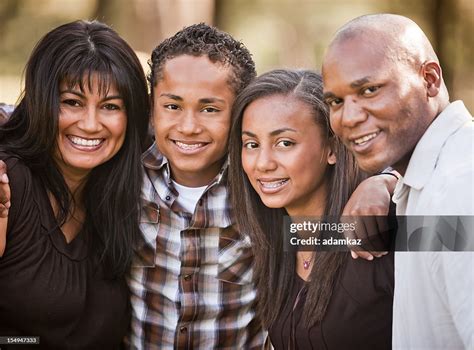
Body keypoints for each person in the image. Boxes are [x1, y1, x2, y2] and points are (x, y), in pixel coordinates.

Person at [322, 14, 473, 349]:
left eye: (370, 90)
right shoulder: (425, 179)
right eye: (335, 101)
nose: (348, 117)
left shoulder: (459, 189)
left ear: (430, 80)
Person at [0, 20, 149, 348]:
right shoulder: (8, 182)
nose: (91, 124)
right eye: (72, 102)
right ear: (42, 102)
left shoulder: (128, 186)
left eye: (110, 106)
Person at [228, 69, 394, 349]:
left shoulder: (383, 226)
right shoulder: (279, 240)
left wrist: (392, 180)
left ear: (332, 147)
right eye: (252, 144)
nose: (263, 163)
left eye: (285, 143)